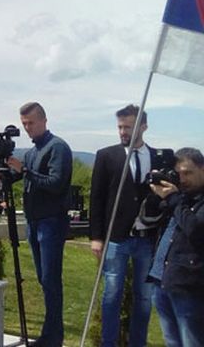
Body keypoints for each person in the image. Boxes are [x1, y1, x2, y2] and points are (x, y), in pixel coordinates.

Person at [89, 105, 158, 347]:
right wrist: (96, 236)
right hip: (116, 238)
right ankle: (109, 343)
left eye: (128, 126)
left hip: (147, 239)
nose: (122, 131)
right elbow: (96, 197)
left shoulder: (157, 156)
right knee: (111, 296)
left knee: (144, 298)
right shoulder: (107, 155)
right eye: (119, 126)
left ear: (143, 127)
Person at [7, 102, 72, 347]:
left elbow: (55, 183)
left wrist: (24, 170)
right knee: (45, 280)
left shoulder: (58, 148)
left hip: (51, 222)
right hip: (35, 222)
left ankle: (53, 338)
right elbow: (16, 175)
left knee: (51, 280)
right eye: (24, 123)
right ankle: (50, 334)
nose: (27, 128)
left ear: (44, 120)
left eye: (31, 123)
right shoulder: (33, 152)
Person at [139, 147, 204, 347]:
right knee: (171, 341)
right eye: (179, 173)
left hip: (188, 285)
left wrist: (174, 199)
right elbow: (149, 219)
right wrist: (157, 196)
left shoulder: (188, 200)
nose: (183, 179)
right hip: (162, 279)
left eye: (188, 173)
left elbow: (196, 230)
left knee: (191, 341)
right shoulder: (180, 197)